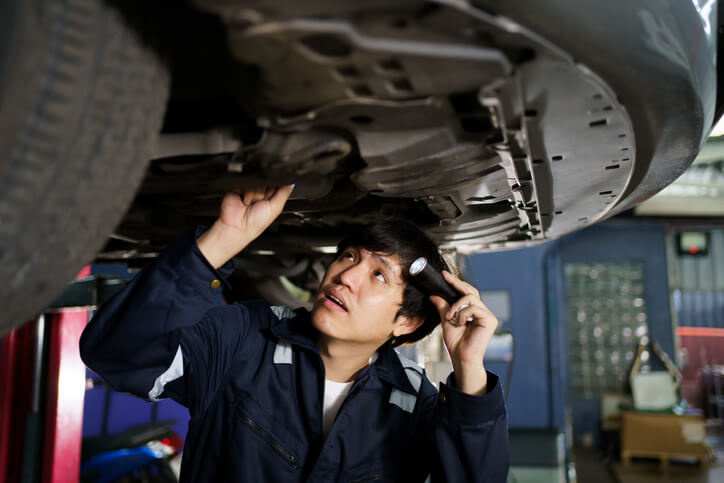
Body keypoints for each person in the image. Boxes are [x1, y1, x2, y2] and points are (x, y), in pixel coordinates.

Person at [80, 185, 509, 482]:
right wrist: (220, 241)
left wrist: (468, 367)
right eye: (348, 256)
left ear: (407, 323)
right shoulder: (245, 341)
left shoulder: (415, 411)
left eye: (378, 275)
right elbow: (117, 354)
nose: (346, 275)